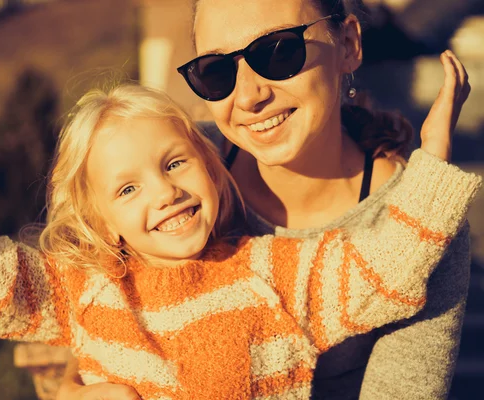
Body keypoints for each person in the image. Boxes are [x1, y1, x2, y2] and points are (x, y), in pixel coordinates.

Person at [0, 47, 478, 400]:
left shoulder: (270, 272)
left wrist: (428, 166)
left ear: (209, 163)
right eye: (127, 189)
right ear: (102, 220)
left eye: (175, 163)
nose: (167, 193)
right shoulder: (86, 287)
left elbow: (380, 274)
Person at [58, 0, 476, 399]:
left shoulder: (427, 230)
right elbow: (93, 280)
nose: (248, 97)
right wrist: (71, 383)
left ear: (348, 46)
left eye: (279, 52)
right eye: (216, 70)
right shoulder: (175, 172)